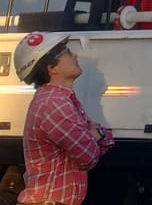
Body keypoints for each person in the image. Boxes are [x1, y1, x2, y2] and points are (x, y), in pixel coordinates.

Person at [14, 31, 114, 205]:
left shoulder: (62, 100)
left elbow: (101, 141)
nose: (74, 55)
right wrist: (98, 134)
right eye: (66, 52)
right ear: (52, 68)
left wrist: (97, 135)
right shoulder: (54, 105)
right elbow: (88, 156)